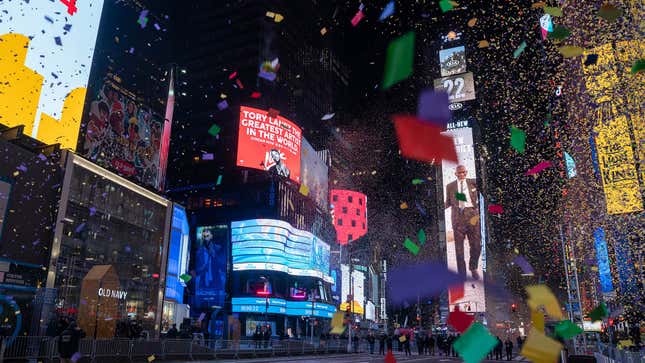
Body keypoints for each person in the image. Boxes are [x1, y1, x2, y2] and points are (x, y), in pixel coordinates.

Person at [445, 165, 482, 280]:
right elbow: (448, 202)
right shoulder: (450, 186)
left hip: (472, 216)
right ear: (455, 174)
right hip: (457, 218)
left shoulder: (474, 182)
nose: (461, 175)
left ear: (466, 172)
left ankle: (473, 267)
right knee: (459, 249)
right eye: (459, 173)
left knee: (476, 245)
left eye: (463, 172)